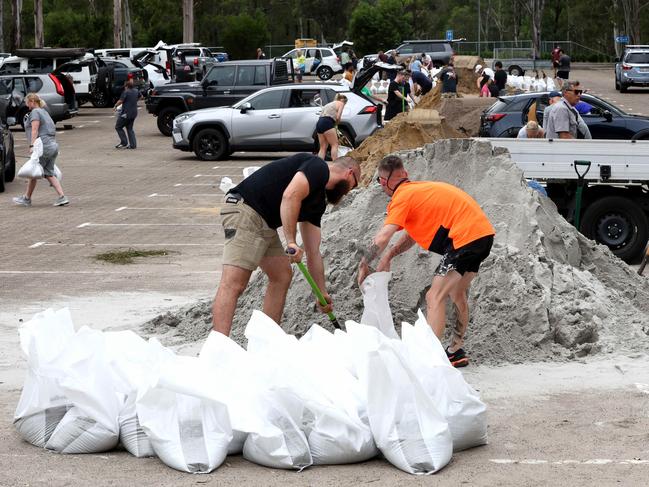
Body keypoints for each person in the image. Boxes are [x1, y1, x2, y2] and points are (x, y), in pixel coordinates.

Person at [357, 155, 495, 368]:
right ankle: (455, 351)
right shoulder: (418, 192)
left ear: (383, 182)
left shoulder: (402, 197)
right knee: (456, 292)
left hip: (464, 237)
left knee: (434, 296)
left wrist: (364, 263)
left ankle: (429, 360)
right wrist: (388, 256)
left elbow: (384, 236)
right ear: (405, 174)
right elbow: (411, 235)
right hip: (483, 235)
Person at [212, 153, 361, 336]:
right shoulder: (317, 167)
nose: (350, 191)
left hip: (264, 222)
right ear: (349, 173)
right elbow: (290, 196)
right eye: (355, 184)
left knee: (281, 275)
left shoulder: (316, 203)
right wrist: (291, 241)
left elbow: (313, 251)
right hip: (245, 209)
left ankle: (268, 340)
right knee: (234, 283)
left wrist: (321, 293)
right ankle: (218, 349)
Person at [12, 93, 69, 207]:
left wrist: (32, 145)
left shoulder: (35, 112)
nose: (26, 105)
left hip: (43, 146)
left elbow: (34, 129)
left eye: (27, 102)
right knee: (48, 173)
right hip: (52, 145)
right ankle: (62, 197)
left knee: (33, 172)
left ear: (32, 102)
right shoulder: (45, 112)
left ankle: (27, 198)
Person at [316, 94, 347, 160]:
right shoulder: (341, 103)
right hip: (327, 122)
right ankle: (335, 163)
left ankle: (319, 165)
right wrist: (336, 124)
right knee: (334, 145)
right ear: (344, 101)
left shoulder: (329, 104)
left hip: (319, 122)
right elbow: (338, 117)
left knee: (323, 147)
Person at [113, 79, 140, 149]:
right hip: (134, 113)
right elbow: (141, 96)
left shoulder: (126, 92)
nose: (124, 87)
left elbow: (121, 101)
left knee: (118, 127)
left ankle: (124, 142)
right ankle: (133, 145)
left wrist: (115, 105)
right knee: (130, 128)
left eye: (125, 86)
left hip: (126, 114)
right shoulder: (136, 91)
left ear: (127, 86)